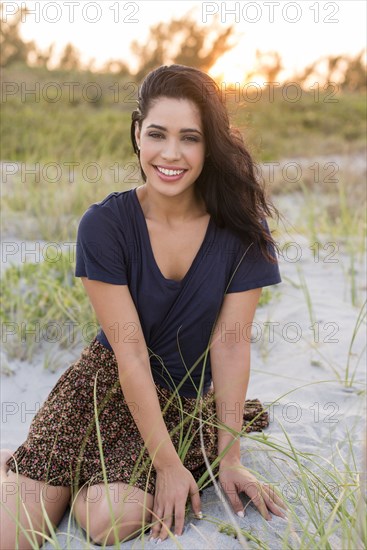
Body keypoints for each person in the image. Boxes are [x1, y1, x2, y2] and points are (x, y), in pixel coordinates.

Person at [1, 64, 287, 548]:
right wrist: (169, 469)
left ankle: (76, 485)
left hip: (180, 405)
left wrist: (230, 459)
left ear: (210, 144)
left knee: (108, 522)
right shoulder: (105, 225)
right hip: (98, 394)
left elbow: (231, 347)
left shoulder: (241, 231)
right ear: (137, 134)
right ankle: (28, 463)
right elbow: (129, 353)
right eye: (157, 134)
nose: (170, 154)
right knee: (13, 535)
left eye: (190, 138)